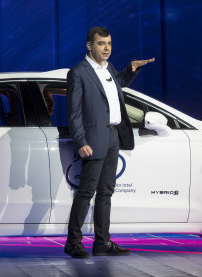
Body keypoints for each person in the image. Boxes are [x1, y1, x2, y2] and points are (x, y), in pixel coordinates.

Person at [64, 26, 154, 258]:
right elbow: (73, 112)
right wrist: (80, 140)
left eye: (109, 43)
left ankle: (102, 243)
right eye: (102, 43)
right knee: (86, 193)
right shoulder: (79, 72)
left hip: (113, 136)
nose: (107, 48)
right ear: (89, 45)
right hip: (93, 140)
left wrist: (131, 69)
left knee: (106, 192)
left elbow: (117, 84)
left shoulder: (108, 68)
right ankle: (73, 242)